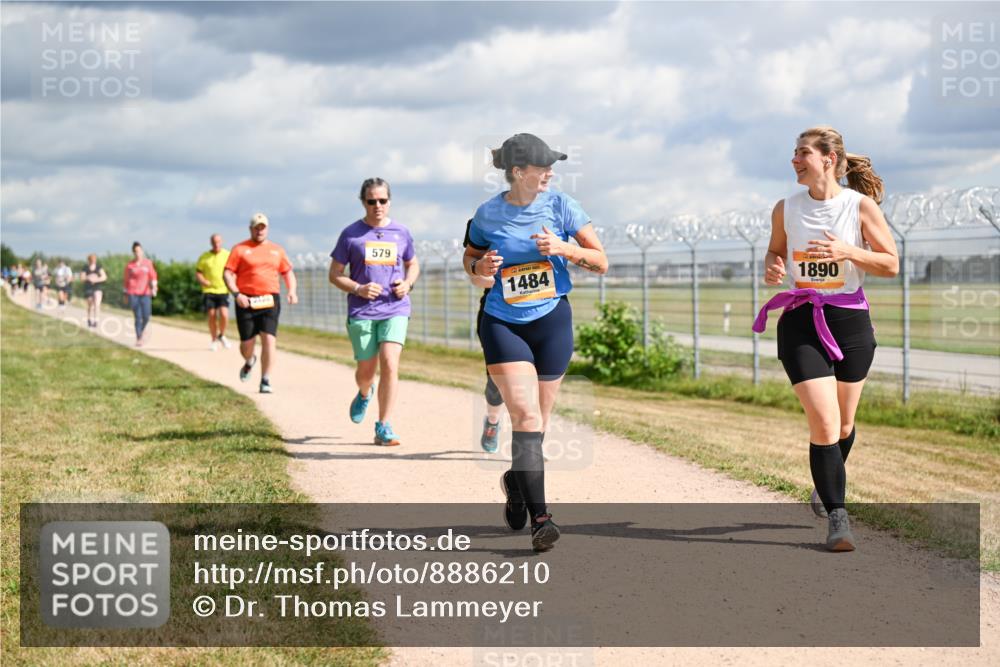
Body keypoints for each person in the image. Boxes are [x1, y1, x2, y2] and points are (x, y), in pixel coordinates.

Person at [753, 125, 899, 552]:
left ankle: (825, 486)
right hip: (801, 319)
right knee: (824, 422)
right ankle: (839, 517)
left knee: (845, 423)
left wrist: (849, 252)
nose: (794, 160)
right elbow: (775, 249)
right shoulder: (785, 208)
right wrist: (772, 265)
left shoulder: (860, 206)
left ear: (828, 159)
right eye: (794, 153)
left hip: (850, 321)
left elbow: (890, 264)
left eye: (802, 153)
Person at [464, 133, 608, 552]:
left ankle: (515, 480)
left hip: (552, 323)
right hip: (503, 322)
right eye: (542, 167)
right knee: (526, 417)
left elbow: (600, 260)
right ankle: (542, 520)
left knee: (537, 425)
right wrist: (481, 268)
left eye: (552, 167)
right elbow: (471, 263)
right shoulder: (488, 214)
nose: (549, 173)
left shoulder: (563, 205)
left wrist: (564, 247)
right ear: (517, 172)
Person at [329, 178, 420, 446]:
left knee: (390, 363)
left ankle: (383, 425)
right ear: (363, 202)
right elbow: (334, 275)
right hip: (362, 310)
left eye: (382, 200)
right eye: (372, 201)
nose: (377, 205)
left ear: (389, 201)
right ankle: (364, 392)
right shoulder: (351, 235)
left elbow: (412, 263)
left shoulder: (401, 232)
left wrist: (407, 283)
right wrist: (358, 288)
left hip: (395, 307)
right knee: (366, 371)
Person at [224, 213, 298, 394]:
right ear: (251, 229)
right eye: (256, 227)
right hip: (246, 300)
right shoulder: (239, 249)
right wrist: (236, 294)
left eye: (263, 227)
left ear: (267, 229)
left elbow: (287, 272)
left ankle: (265, 379)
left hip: (269, 299)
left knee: (269, 340)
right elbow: (227, 274)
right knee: (246, 345)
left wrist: (292, 291)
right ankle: (249, 361)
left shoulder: (277, 250)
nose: (260, 230)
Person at [464, 218, 506, 454]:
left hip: (540, 310)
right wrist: (499, 278)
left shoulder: (544, 222)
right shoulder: (484, 221)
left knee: (540, 378)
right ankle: (492, 421)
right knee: (497, 378)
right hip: (496, 311)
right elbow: (475, 276)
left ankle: (535, 439)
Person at [196, 233, 232, 351]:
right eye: (214, 242)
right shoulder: (204, 257)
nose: (216, 244)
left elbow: (233, 271)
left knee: (224, 314)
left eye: (218, 242)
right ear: (211, 243)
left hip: (223, 289)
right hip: (209, 290)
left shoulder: (227, 255)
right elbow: (198, 272)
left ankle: (221, 335)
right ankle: (213, 339)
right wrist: (202, 280)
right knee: (211, 315)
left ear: (221, 242)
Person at [123, 242, 158, 346]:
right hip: (133, 293)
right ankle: (139, 337)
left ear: (142, 251)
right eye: (136, 251)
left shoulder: (148, 263)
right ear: (133, 252)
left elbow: (153, 277)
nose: (138, 253)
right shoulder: (130, 265)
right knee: (137, 316)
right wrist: (125, 294)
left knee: (146, 315)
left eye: (139, 251)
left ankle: (142, 331)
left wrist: (154, 287)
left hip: (145, 293)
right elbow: (126, 280)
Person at [82, 254, 107, 328]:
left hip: (97, 288)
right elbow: (82, 278)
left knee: (97, 304)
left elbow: (104, 277)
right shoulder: (85, 268)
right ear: (89, 260)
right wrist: (88, 278)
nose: (93, 261)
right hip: (88, 288)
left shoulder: (98, 268)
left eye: (94, 259)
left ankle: (96, 320)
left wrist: (96, 280)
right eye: (91, 259)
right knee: (90, 305)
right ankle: (89, 319)